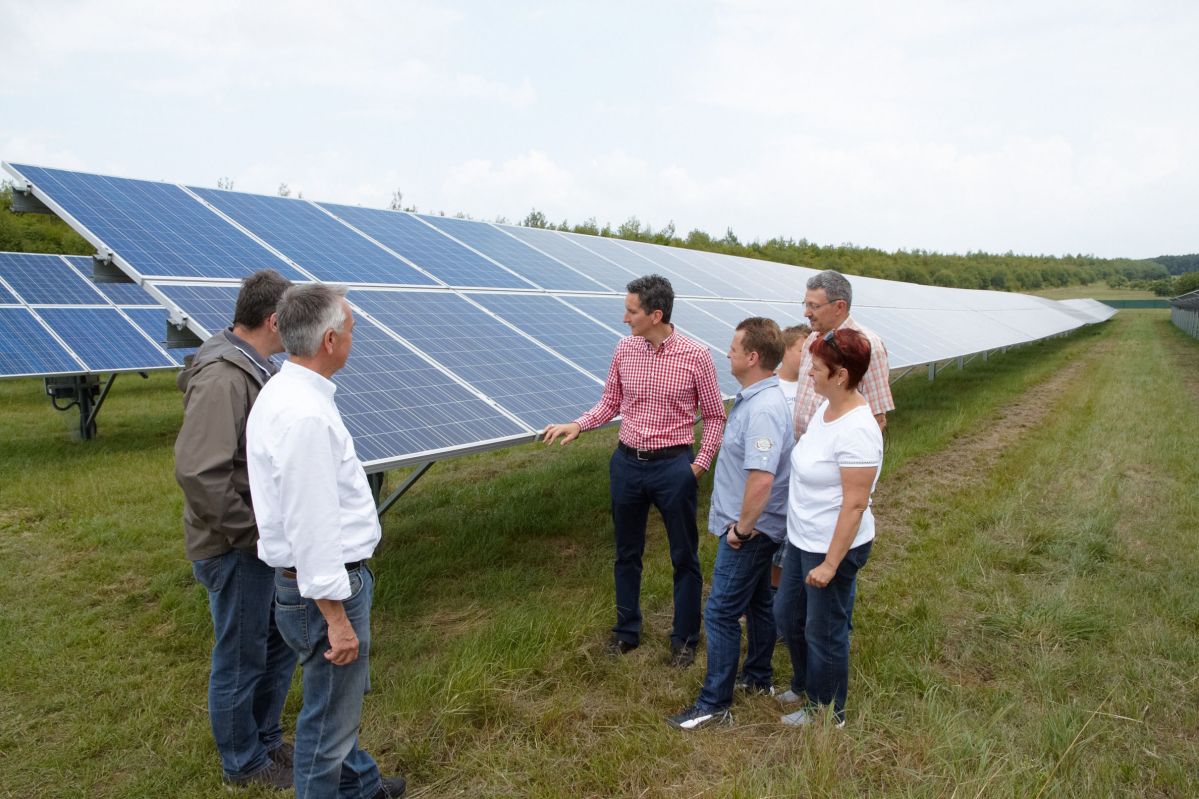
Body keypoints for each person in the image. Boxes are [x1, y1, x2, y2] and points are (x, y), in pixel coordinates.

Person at [246, 284, 406, 799]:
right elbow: (311, 528)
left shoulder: (286, 392)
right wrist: (336, 619)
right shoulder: (305, 416)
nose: (355, 339)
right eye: (353, 331)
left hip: (315, 586)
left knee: (337, 703)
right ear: (331, 340)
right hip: (327, 591)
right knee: (325, 729)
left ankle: (364, 788)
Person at [543, 274, 726, 667]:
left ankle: (685, 638)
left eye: (631, 311)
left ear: (655, 314)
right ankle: (627, 632)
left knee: (684, 556)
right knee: (627, 553)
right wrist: (579, 424)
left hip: (673, 467)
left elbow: (714, 416)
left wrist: (698, 465)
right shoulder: (625, 350)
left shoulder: (696, 356)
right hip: (626, 464)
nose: (624, 318)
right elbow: (611, 401)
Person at [175, 268, 297, 790]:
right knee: (242, 654)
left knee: (275, 643)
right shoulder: (224, 376)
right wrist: (252, 534)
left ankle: (264, 739)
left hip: (256, 541)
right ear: (274, 320)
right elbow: (200, 472)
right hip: (234, 546)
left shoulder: (252, 366)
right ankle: (242, 763)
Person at [667, 318, 795, 730]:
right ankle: (758, 678)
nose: (728, 354)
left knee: (721, 613)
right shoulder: (756, 399)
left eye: (734, 348)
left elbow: (762, 478)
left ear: (753, 357)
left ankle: (714, 704)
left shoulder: (764, 409)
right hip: (753, 527)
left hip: (750, 532)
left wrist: (740, 529)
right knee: (759, 604)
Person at [775, 328, 883, 728]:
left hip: (833, 547)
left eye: (816, 368)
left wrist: (831, 564)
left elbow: (854, 504)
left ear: (840, 376)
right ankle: (805, 683)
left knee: (825, 630)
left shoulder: (857, 429)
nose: (809, 375)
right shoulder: (826, 409)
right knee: (787, 616)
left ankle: (827, 711)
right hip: (803, 537)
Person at [793, 271, 893, 439]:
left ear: (840, 306)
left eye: (814, 306)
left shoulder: (868, 345)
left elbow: (877, 418)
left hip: (835, 458)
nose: (807, 313)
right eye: (806, 304)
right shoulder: (811, 338)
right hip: (804, 453)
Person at [776, 323, 811, 416]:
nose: (809, 357)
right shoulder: (768, 384)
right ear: (784, 350)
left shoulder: (814, 386)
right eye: (803, 351)